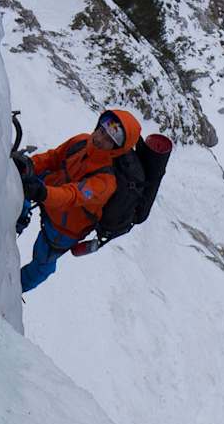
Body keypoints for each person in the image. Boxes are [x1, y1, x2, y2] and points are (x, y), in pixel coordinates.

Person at [13, 109, 142, 292]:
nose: (99, 138)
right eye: (102, 131)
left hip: (63, 228)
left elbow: (72, 196)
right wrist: (30, 165)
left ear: (116, 149)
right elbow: (53, 158)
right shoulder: (81, 142)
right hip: (50, 192)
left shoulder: (106, 182)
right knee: (24, 179)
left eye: (108, 140)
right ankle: (18, 218)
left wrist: (43, 193)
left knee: (42, 263)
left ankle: (13, 289)